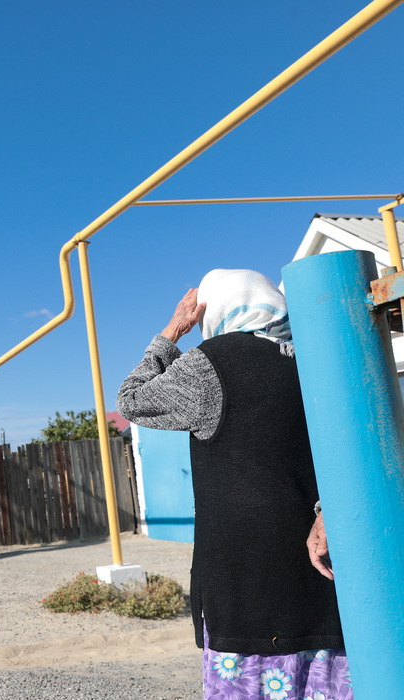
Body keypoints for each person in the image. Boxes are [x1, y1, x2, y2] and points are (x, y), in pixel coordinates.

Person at [116, 269, 350, 699]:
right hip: (324, 577)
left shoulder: (213, 362)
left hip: (245, 588)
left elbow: (132, 399)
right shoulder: (314, 359)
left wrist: (172, 332)